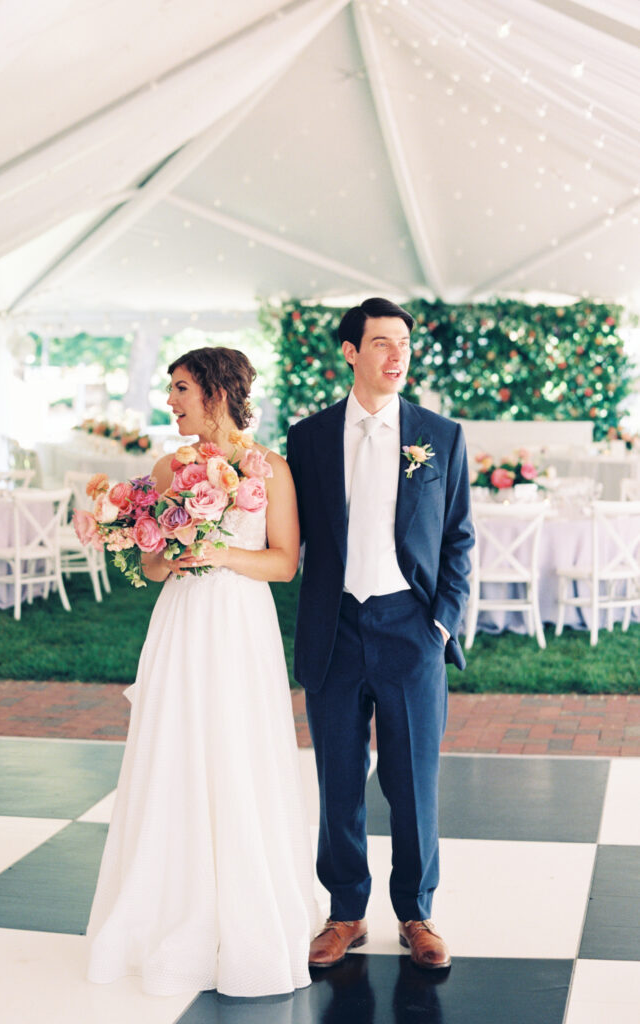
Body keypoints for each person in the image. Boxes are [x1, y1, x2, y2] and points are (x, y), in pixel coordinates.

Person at [86, 346, 319, 998]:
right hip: (184, 622)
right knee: (177, 752)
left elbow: (282, 562)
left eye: (181, 388)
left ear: (216, 390)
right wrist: (173, 550)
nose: (171, 401)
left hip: (240, 624)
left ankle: (248, 911)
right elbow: (155, 565)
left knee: (237, 751)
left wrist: (218, 549)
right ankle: (170, 905)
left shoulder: (268, 468)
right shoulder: (167, 467)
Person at [286, 298, 474, 971]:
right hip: (334, 630)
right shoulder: (307, 438)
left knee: (413, 780)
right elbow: (288, 533)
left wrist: (439, 622)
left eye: (404, 344)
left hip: (409, 630)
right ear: (350, 352)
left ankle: (417, 913)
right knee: (338, 777)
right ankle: (345, 913)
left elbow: (458, 540)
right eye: (381, 343)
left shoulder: (440, 436)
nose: (397, 356)